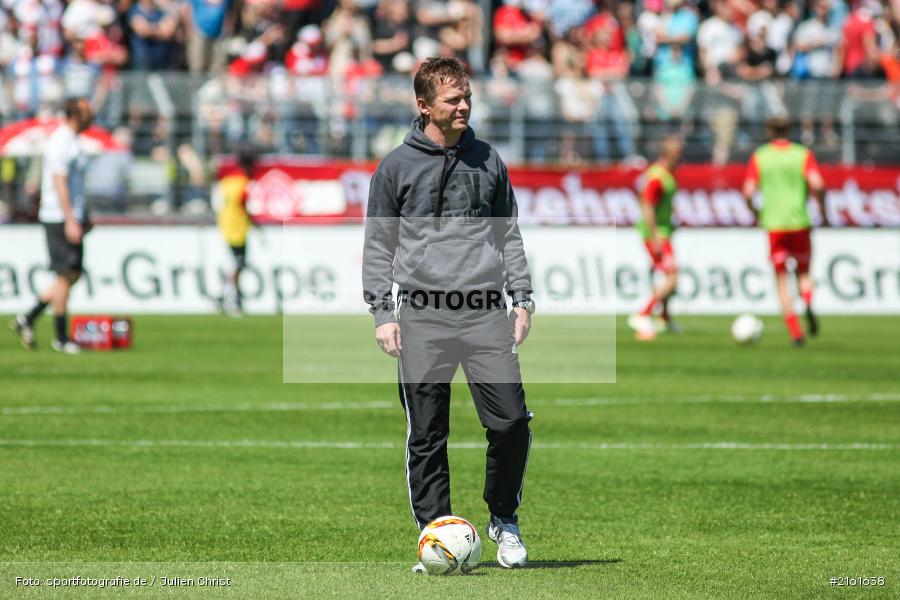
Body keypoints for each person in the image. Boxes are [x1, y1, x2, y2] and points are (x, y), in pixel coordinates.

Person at [362, 57, 534, 571]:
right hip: (421, 315)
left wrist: (521, 297)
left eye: (466, 98)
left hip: (484, 313)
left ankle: (503, 520)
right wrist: (382, 312)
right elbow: (378, 245)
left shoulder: (489, 160)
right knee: (427, 433)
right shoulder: (394, 167)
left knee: (510, 424)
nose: (463, 107)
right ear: (423, 106)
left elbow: (509, 236)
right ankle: (434, 534)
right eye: (451, 100)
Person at [11, 97, 93, 353]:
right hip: (58, 216)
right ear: (74, 114)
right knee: (67, 274)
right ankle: (60, 337)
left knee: (71, 274)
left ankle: (29, 317)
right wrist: (70, 219)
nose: (91, 115)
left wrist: (82, 215)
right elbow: (60, 183)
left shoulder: (74, 141)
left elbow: (76, 186)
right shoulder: (61, 142)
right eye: (86, 111)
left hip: (69, 215)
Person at [742, 116, 826, 346]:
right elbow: (817, 184)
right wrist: (823, 209)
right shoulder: (802, 154)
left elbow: (748, 192)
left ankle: (795, 332)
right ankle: (807, 301)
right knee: (804, 273)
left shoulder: (761, 156)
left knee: (781, 280)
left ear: (769, 131)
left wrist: (755, 211)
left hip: (774, 224)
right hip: (799, 221)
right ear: (788, 130)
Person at [628, 136, 683, 340]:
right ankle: (642, 314)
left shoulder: (664, 174)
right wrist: (655, 238)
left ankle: (664, 319)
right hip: (657, 234)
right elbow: (648, 206)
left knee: (664, 276)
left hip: (663, 231)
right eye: (679, 154)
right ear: (670, 155)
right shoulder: (658, 176)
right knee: (672, 277)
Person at [216, 144, 256, 317]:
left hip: (226, 226)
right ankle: (232, 299)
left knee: (237, 265)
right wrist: (255, 223)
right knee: (239, 264)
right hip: (238, 229)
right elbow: (244, 205)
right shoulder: (243, 184)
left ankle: (225, 297)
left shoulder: (227, 181)